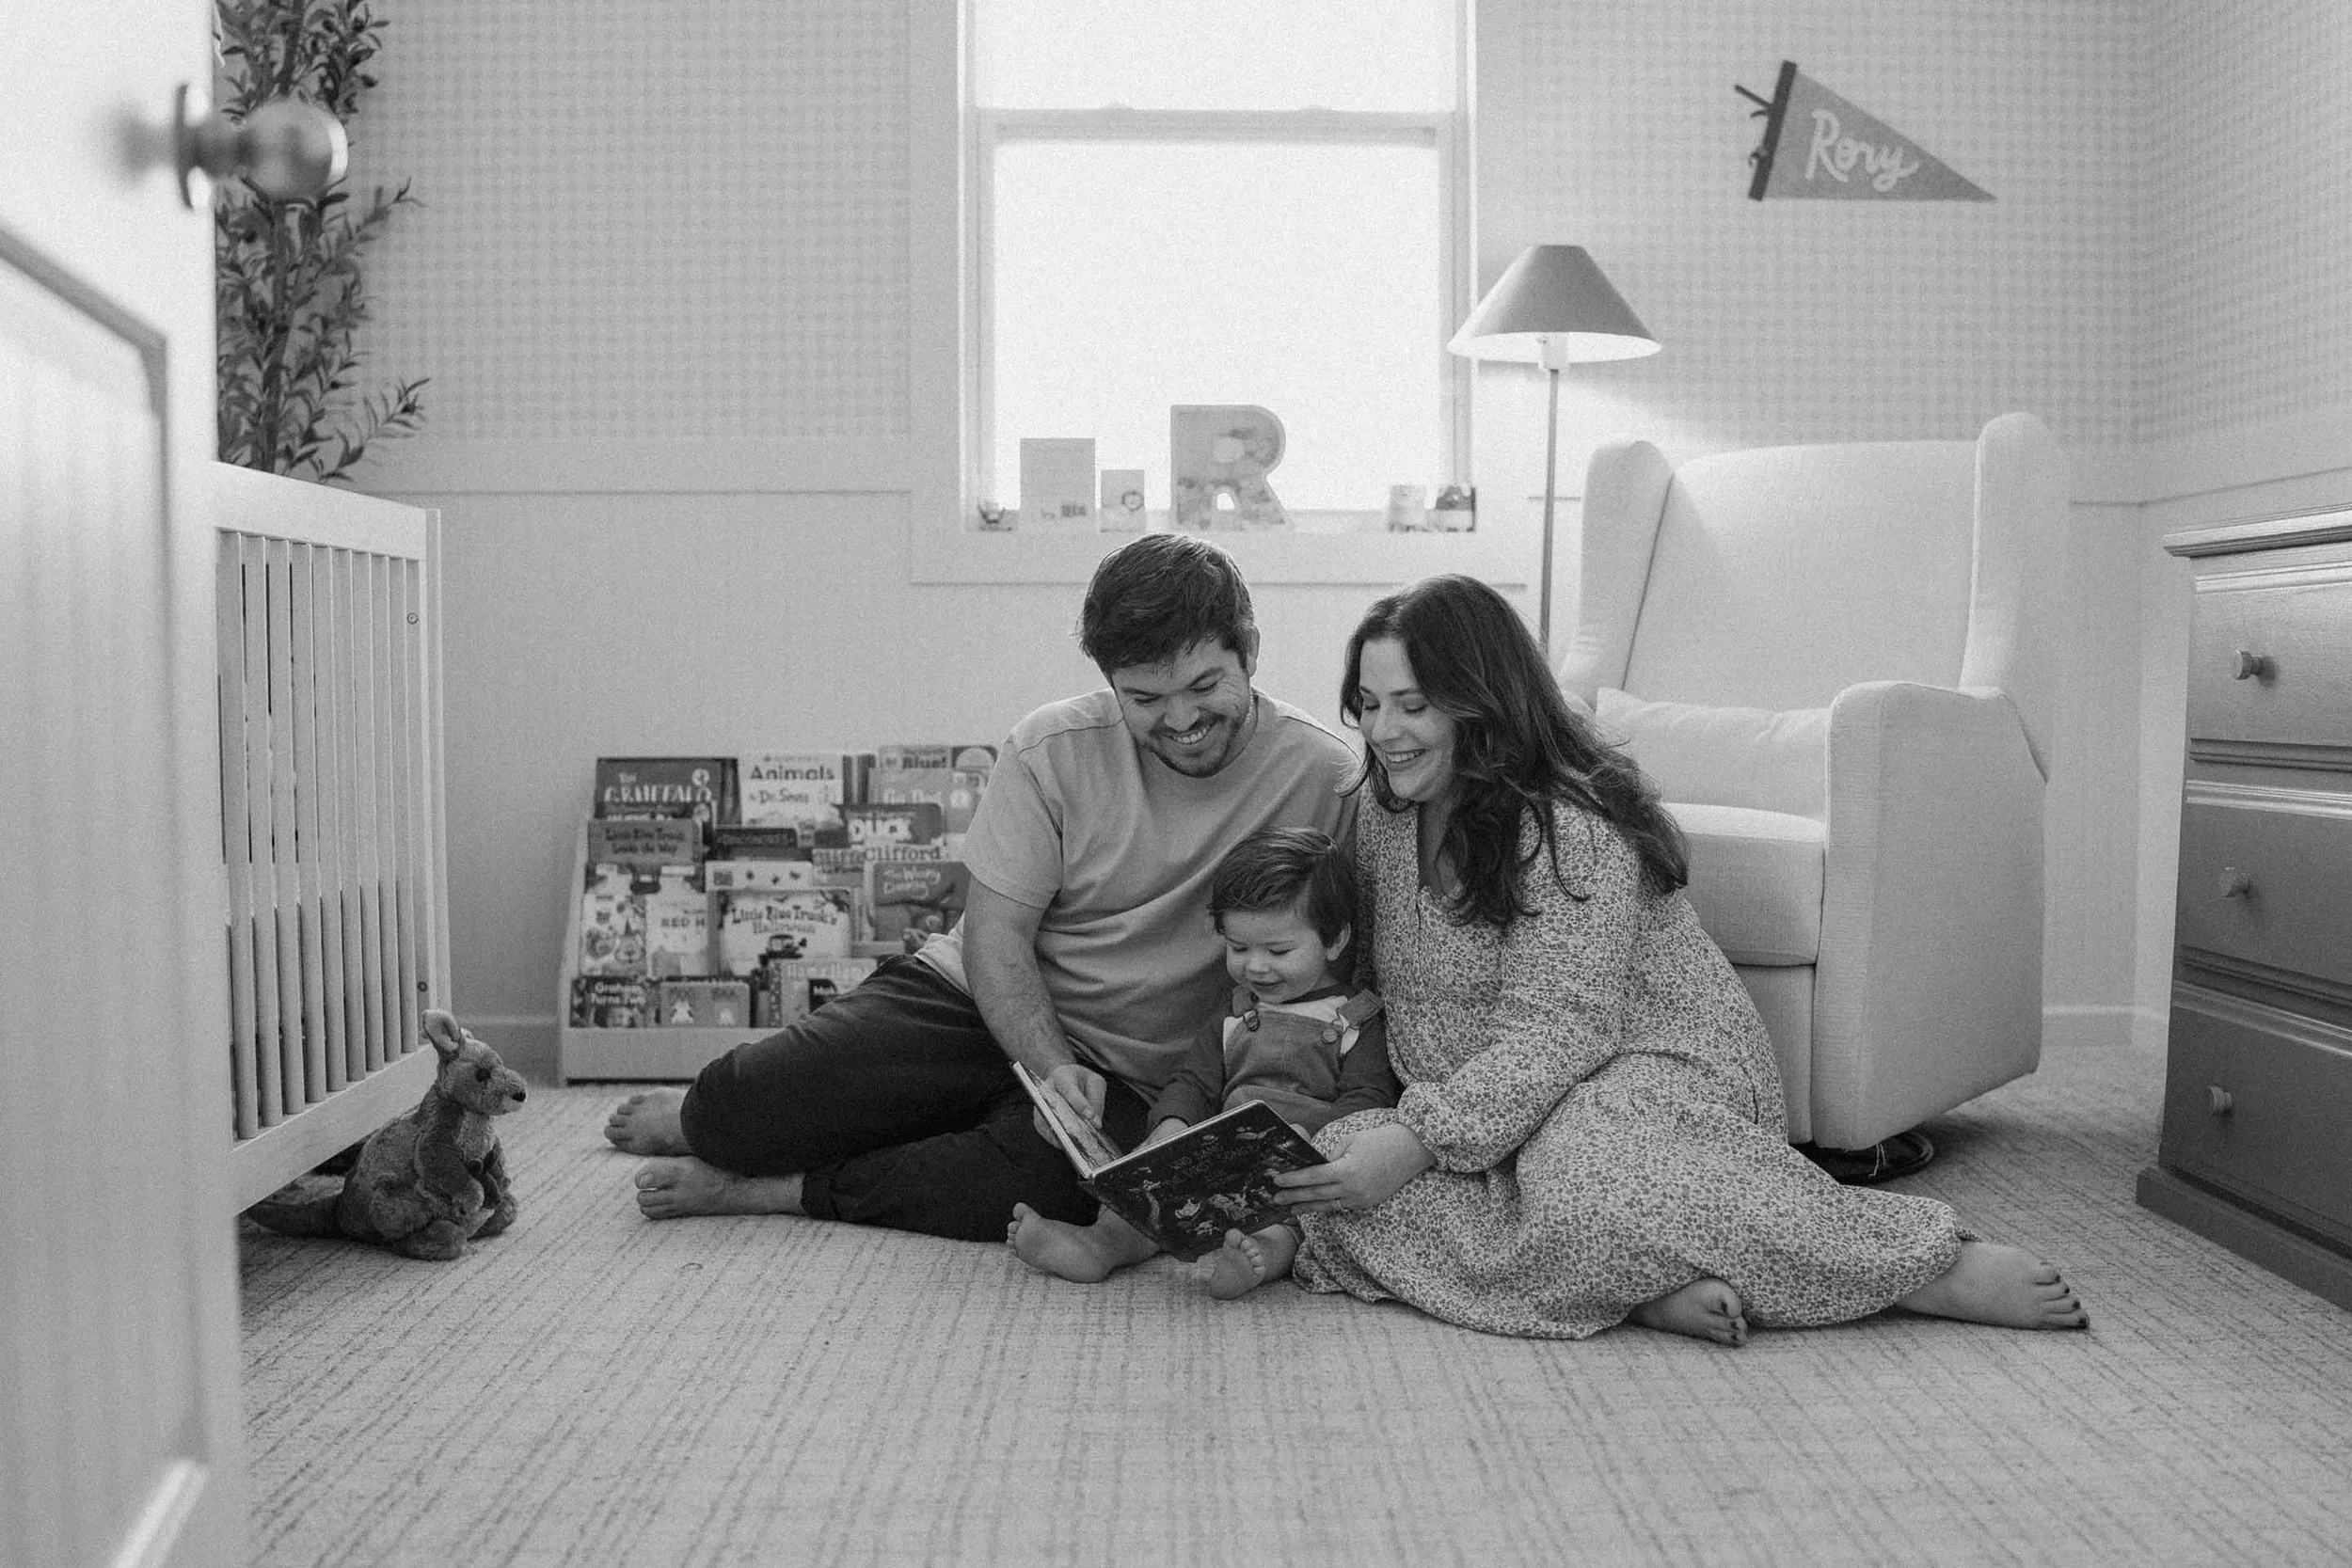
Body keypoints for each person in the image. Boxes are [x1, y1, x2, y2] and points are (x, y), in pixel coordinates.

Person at [1240, 573, 2089, 1344]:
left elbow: (1562, 1034)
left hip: (1637, 1070)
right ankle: (1638, 1279)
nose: (1384, 731)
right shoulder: (1384, 809)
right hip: (1476, 1103)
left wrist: (1420, 1139)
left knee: (1584, 1177)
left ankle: (1916, 1266)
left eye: (1414, 705)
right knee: (1338, 1170)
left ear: (1482, 703)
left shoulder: (1566, 825)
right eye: (1370, 703)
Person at [602, 534, 1359, 1241]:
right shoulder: (1049, 747)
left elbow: (1346, 950)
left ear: (1249, 651)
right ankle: (705, 1126)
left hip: (1135, 1071)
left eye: (1203, 686)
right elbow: (997, 938)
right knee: (739, 1106)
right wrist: (1051, 1064)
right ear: (1110, 684)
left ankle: (781, 1187)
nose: (1183, 719)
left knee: (1057, 1194)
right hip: (973, 999)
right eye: (1147, 699)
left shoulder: (1326, 776)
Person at [1007, 825, 1395, 1297]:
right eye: (1238, 949)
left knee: (1285, 1229)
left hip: (1299, 1169)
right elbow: (1195, 1081)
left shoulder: (1357, 1020)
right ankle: (1099, 1246)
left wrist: (1318, 1136)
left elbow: (1369, 1099)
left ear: (1334, 942)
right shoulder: (1235, 1013)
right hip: (1219, 1157)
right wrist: (1171, 1125)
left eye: (1278, 951)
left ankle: (1251, 1264)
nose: (1256, 967)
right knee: (1145, 1202)